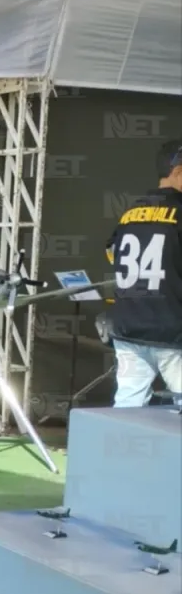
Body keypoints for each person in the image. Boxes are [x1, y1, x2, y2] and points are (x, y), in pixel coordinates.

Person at [105, 138, 182, 407]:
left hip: (128, 325)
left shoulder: (131, 210)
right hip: (171, 328)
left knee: (128, 403)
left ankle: (118, 450)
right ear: (178, 172)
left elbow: (112, 253)